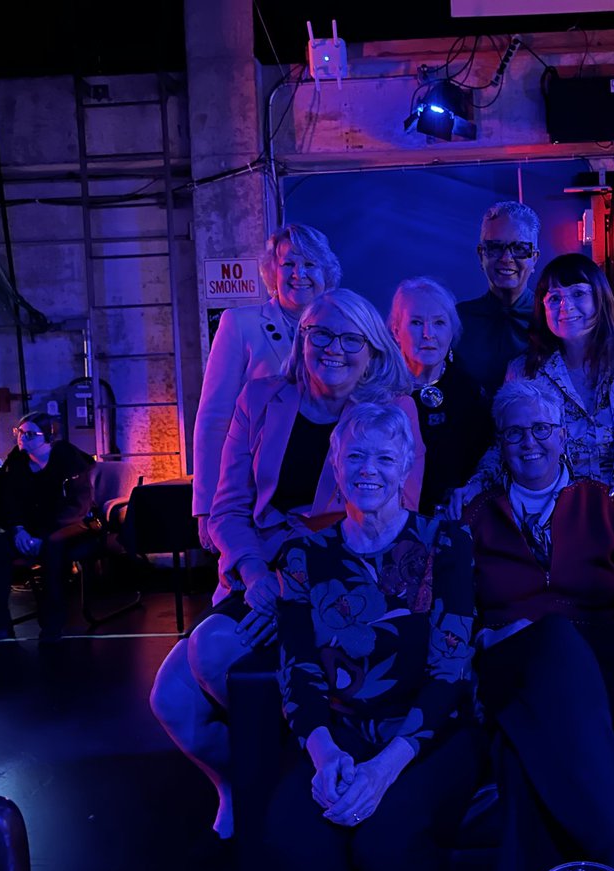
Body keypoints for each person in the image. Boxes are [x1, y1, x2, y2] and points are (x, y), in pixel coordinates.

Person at [150, 288, 423, 841]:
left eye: (352, 339)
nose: (334, 348)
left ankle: (306, 770)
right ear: (302, 339)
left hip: (341, 576)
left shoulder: (391, 411)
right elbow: (228, 506)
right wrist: (253, 574)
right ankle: (243, 781)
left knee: (215, 651)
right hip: (259, 567)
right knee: (171, 700)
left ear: (372, 350)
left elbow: (394, 518)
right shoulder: (262, 397)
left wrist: (289, 584)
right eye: (321, 333)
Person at [263, 402, 481, 871]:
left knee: (386, 844)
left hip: (430, 738)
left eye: (384, 459)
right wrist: (324, 755)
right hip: (338, 735)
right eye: (356, 457)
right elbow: (297, 668)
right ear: (336, 463)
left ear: (405, 467)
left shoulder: (446, 544)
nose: (368, 471)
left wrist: (383, 771)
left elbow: (449, 675)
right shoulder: (304, 554)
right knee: (297, 840)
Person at [463, 380, 614, 871]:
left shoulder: (607, 507)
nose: (529, 441)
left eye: (541, 428)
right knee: (552, 639)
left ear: (563, 437)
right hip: (505, 665)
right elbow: (452, 617)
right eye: (514, 432)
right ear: (500, 443)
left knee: (521, 759)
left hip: (596, 675)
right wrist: (490, 637)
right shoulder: (475, 518)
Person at [451, 253, 614, 516]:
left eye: (578, 294)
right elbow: (504, 444)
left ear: (600, 298)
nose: (566, 306)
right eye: (554, 298)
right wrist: (475, 485)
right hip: (554, 522)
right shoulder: (524, 371)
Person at [191, 223, 342, 552]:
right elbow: (214, 417)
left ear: (326, 272)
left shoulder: (344, 329)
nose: (299, 273)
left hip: (328, 497)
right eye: (288, 263)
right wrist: (206, 506)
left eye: (310, 263)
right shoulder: (239, 324)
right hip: (254, 495)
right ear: (272, 270)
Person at [0, 412, 96, 647]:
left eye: (31, 434)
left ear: (49, 437)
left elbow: (78, 506)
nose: (23, 439)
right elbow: (10, 499)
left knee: (53, 550)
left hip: (66, 526)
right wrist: (19, 529)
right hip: (29, 529)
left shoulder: (69, 461)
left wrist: (42, 535)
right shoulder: (18, 461)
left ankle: (53, 625)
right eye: (20, 433)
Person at [387, 276, 492, 514]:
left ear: (451, 330)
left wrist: (470, 489)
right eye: (416, 323)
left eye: (439, 323)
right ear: (396, 330)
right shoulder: (378, 392)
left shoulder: (469, 390)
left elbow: (486, 455)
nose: (428, 334)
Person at [453, 201, 541, 398]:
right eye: (495, 247)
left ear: (534, 258)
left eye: (519, 248)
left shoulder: (553, 320)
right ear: (480, 255)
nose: (506, 258)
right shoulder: (456, 321)